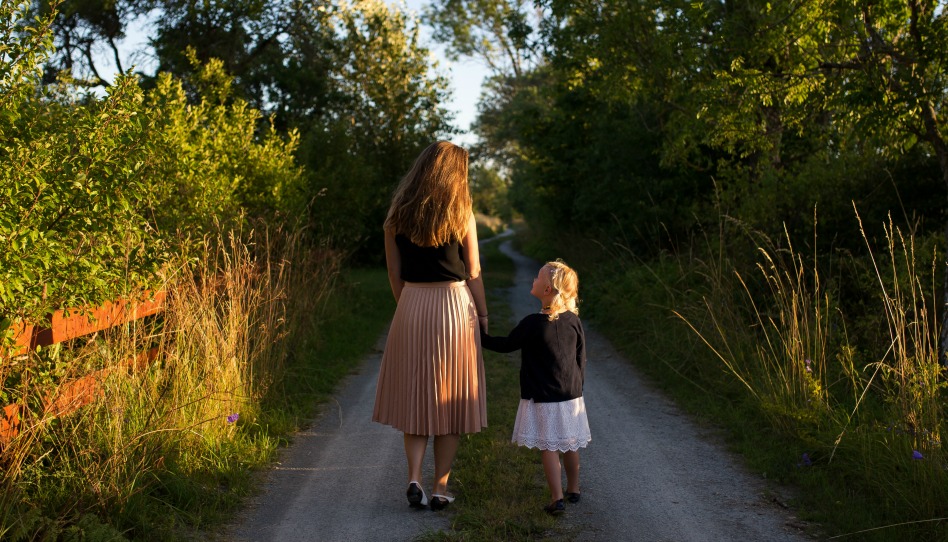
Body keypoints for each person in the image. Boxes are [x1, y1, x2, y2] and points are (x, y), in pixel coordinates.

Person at [372, 141, 489, 512]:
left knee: (417, 397)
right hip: (454, 306)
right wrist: (483, 316)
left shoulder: (396, 215)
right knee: (450, 399)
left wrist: (407, 305)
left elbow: (393, 272)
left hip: (412, 303)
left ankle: (413, 478)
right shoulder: (461, 213)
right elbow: (473, 272)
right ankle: (440, 487)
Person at [480, 259, 590, 515]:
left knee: (549, 447)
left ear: (548, 290)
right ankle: (574, 489)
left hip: (543, 395)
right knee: (570, 443)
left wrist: (478, 336)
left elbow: (506, 345)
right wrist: (578, 388)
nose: (533, 279)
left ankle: (556, 498)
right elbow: (580, 357)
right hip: (571, 395)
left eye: (537, 277)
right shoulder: (573, 320)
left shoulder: (532, 323)